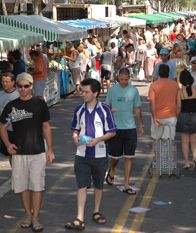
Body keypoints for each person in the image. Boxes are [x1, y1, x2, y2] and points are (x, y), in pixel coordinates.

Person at [0, 72, 54, 232]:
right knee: (23, 187)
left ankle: (36, 217)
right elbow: (2, 127)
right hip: (19, 154)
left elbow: (46, 126)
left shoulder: (40, 103)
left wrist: (50, 148)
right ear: (16, 86)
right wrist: (8, 144)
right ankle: (28, 214)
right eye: (20, 86)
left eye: (27, 86)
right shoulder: (11, 106)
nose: (23, 89)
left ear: (31, 86)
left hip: (37, 152)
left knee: (37, 187)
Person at [65, 79, 116, 230]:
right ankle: (79, 218)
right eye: (82, 91)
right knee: (82, 185)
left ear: (95, 93)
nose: (83, 94)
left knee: (98, 185)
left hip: (100, 155)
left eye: (86, 92)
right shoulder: (78, 110)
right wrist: (75, 138)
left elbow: (112, 132)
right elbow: (75, 129)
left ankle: (96, 212)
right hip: (82, 154)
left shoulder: (105, 110)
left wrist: (98, 140)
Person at [104, 68, 144, 195]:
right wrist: (110, 110)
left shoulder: (134, 90)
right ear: (118, 77)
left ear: (129, 78)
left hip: (130, 128)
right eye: (121, 79)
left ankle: (126, 184)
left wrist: (141, 124)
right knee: (115, 157)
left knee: (129, 157)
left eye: (126, 79)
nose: (123, 82)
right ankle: (112, 168)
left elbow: (137, 109)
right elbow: (105, 106)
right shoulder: (113, 89)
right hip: (116, 129)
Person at [176, 70, 196, 170]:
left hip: (184, 115)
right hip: (195, 116)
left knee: (184, 141)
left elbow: (179, 107)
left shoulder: (180, 92)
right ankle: (195, 158)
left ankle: (186, 162)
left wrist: (176, 117)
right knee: (194, 141)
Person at [148, 64, 179, 140]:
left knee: (157, 140)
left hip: (158, 116)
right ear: (168, 73)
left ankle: (158, 151)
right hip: (171, 116)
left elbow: (152, 104)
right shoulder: (175, 85)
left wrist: (154, 117)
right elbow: (178, 103)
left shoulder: (153, 85)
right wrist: (176, 116)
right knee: (169, 141)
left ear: (158, 73)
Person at [0, 72, 19, 165]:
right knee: (10, 153)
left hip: (16, 130)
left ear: (13, 82)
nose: (4, 84)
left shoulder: (19, 94)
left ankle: (17, 175)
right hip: (3, 129)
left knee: (15, 154)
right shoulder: (0, 94)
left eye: (7, 82)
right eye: (3, 82)